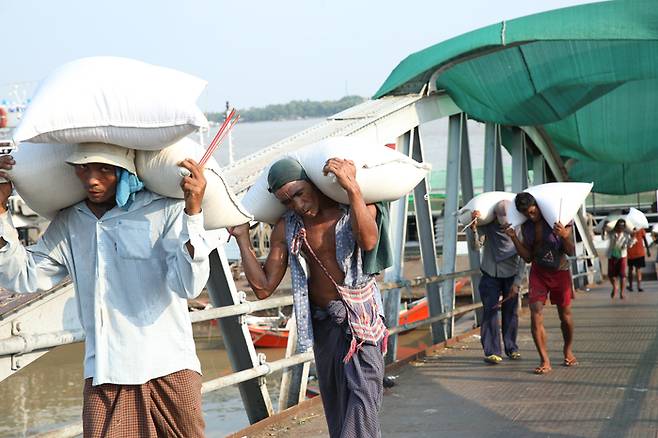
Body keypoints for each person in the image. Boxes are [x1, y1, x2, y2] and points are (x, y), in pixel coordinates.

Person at [0, 143, 212, 438]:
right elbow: (24, 277)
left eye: (104, 169)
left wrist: (193, 213)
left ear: (124, 171)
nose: (92, 180)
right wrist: (0, 215)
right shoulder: (70, 222)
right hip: (106, 372)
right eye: (84, 168)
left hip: (170, 365)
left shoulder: (165, 210)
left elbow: (189, 284)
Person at [229, 157, 391, 438]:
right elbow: (264, 287)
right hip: (324, 325)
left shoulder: (353, 208)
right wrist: (243, 240)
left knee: (363, 399)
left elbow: (368, 241)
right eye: (287, 201)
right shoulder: (287, 226)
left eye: (299, 194)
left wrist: (352, 188)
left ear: (313, 183)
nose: (297, 205)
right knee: (337, 404)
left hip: (362, 324)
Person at [505, 192, 577, 375]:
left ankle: (568, 349)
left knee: (565, 316)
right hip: (538, 272)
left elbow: (570, 251)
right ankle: (544, 360)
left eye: (532, 211)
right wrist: (514, 238)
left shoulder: (556, 218)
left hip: (560, 271)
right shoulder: (527, 227)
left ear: (537, 206)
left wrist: (563, 235)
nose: (531, 216)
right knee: (535, 312)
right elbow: (528, 257)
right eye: (526, 214)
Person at [469, 201, 524, 365]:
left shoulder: (519, 228)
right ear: (495, 216)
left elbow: (524, 258)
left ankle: (511, 348)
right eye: (502, 218)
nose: (505, 222)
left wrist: (518, 282)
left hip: (511, 274)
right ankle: (492, 351)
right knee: (490, 312)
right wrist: (473, 229)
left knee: (511, 313)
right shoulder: (489, 226)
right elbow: (476, 246)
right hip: (490, 274)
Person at [606, 219, 635, 299]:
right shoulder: (611, 233)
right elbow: (604, 237)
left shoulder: (626, 235)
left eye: (622, 226)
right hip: (612, 255)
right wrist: (604, 228)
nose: (620, 228)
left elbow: (630, 245)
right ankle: (615, 286)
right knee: (611, 275)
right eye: (619, 226)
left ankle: (622, 292)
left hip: (622, 255)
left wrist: (632, 238)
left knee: (622, 275)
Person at [627, 225, 650, 292]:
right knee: (638, 270)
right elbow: (645, 240)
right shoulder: (640, 229)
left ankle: (631, 286)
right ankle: (639, 287)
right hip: (639, 252)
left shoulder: (628, 229)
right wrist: (648, 250)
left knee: (630, 270)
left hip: (630, 253)